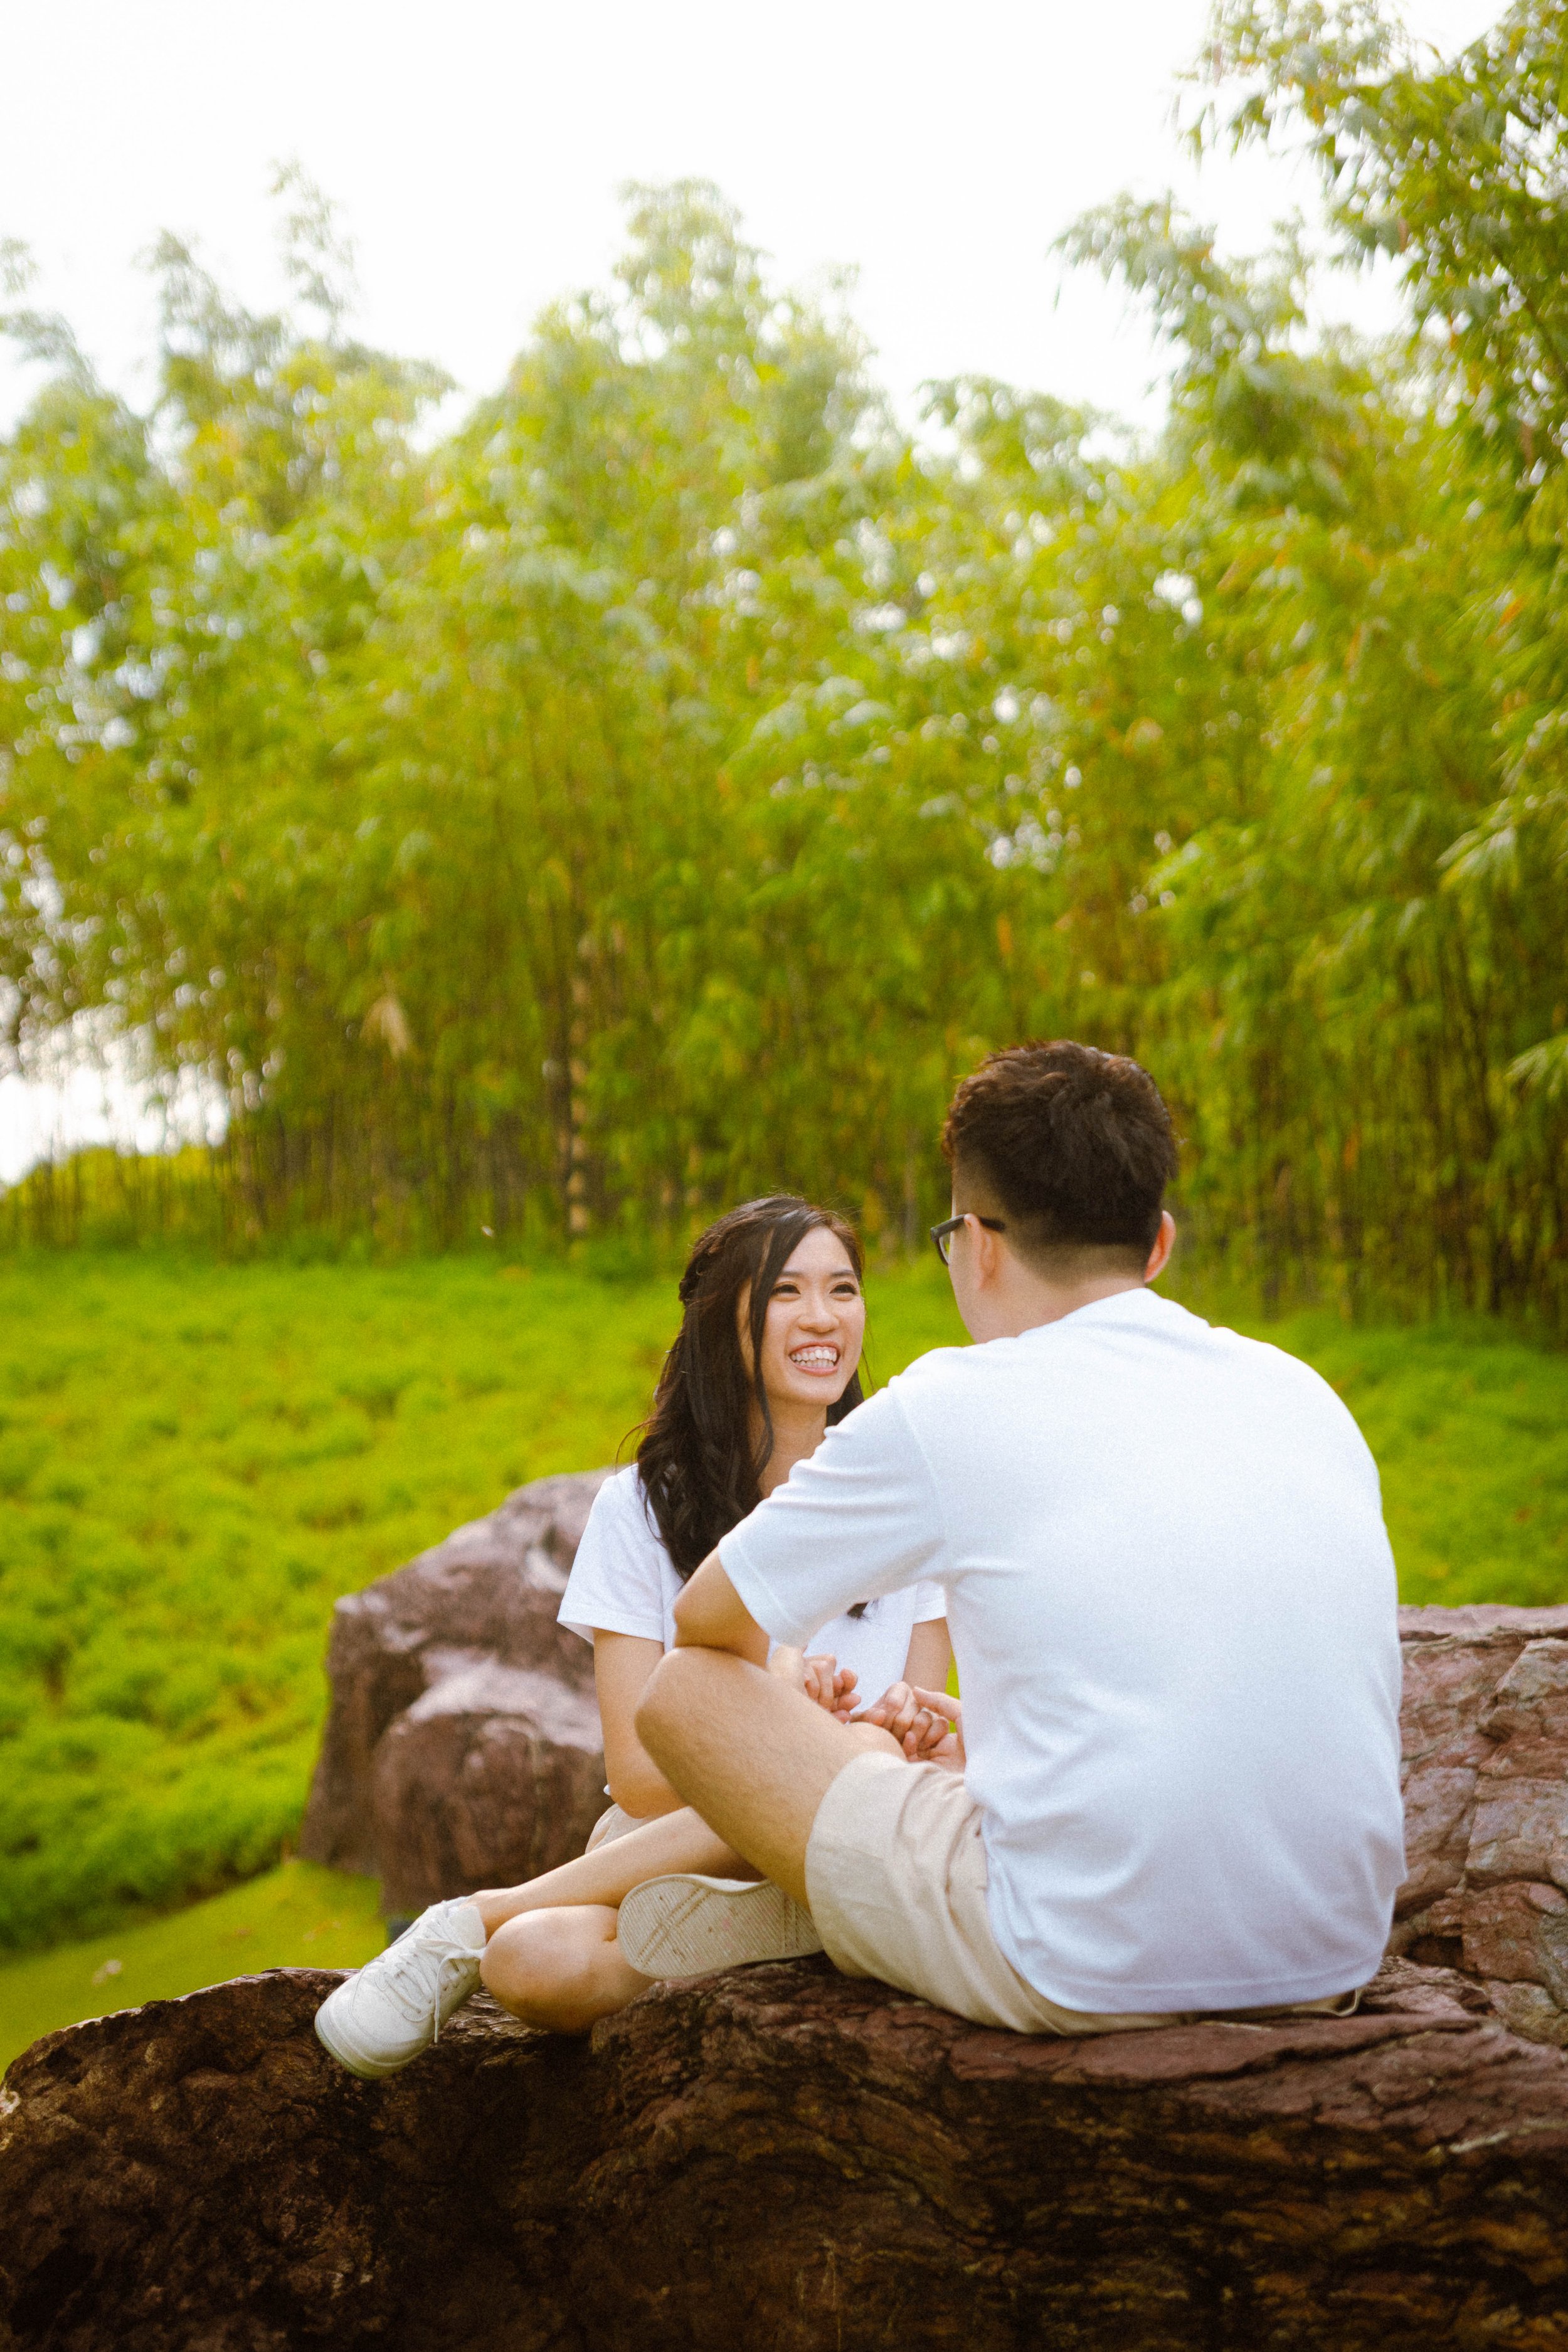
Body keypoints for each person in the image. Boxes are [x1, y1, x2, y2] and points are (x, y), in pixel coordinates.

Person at [622, 1043, 1406, 2038]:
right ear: (1157, 1244)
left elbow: (705, 1623)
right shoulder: (1306, 1394)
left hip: (1078, 1962)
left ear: (979, 1246)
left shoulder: (958, 1400)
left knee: (685, 1689)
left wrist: (810, 1744)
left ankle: (808, 1903)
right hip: (1325, 1956)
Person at [314, 1195, 951, 2077]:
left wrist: (859, 1735)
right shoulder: (642, 1509)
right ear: (722, 1319)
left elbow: (918, 1732)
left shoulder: (897, 1498)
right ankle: (781, 1933)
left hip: (852, 1824)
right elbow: (644, 1779)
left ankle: (476, 1913)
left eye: (843, 1289)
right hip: (680, 1838)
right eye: (787, 1292)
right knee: (527, 1961)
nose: (823, 1317)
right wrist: (774, 1720)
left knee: (876, 1742)